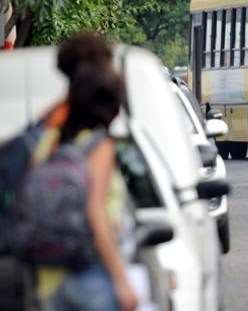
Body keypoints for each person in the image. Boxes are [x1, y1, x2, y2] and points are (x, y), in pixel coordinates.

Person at [35, 33, 138, 311]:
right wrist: (121, 280)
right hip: (91, 275)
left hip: (48, 281)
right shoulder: (98, 147)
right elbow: (96, 214)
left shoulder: (47, 138)